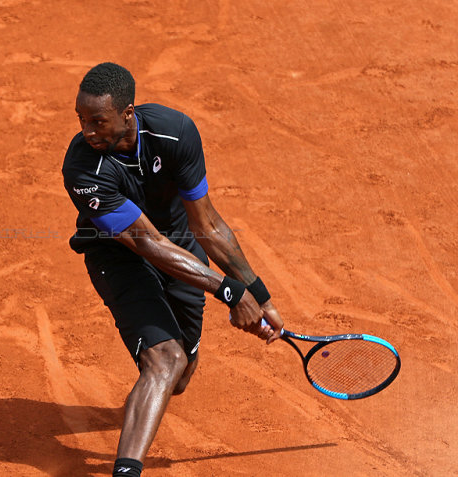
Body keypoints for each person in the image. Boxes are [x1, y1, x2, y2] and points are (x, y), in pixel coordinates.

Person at [61, 62, 285, 477]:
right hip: (118, 255)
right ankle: (127, 470)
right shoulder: (82, 168)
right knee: (165, 360)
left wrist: (258, 293)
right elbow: (144, 242)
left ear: (128, 113)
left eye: (98, 120)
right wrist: (229, 291)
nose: (87, 131)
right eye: (81, 120)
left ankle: (150, 395)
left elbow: (207, 224)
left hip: (180, 245)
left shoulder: (175, 132)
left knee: (179, 376)